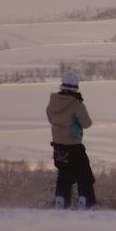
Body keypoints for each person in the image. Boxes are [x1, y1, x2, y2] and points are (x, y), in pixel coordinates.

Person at [46, 70, 96, 209]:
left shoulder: (53, 102)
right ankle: (86, 202)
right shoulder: (76, 104)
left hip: (58, 145)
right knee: (84, 175)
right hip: (74, 144)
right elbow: (87, 123)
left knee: (64, 176)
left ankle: (61, 201)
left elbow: (50, 118)